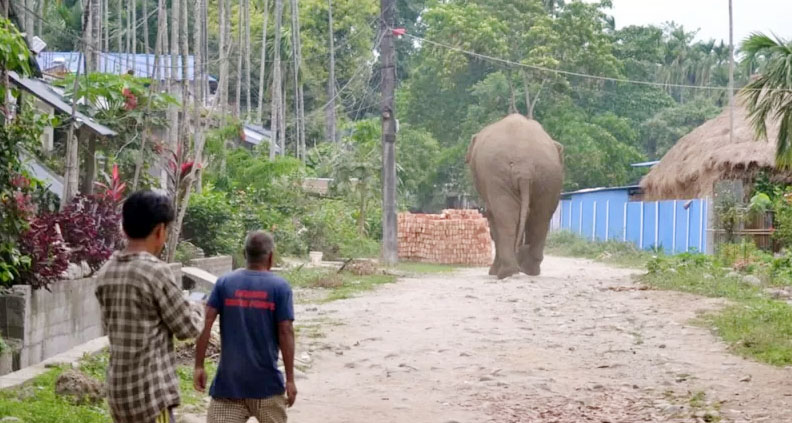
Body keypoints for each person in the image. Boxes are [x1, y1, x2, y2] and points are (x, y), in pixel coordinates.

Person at [96, 190, 202, 423]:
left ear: (124, 228)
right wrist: (196, 306)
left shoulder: (106, 271)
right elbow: (188, 328)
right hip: (149, 394)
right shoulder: (155, 271)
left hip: (119, 392)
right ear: (160, 230)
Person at [194, 230, 297, 423]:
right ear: (271, 257)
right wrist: (290, 379)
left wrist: (199, 366)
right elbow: (285, 331)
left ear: (244, 254)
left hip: (229, 387)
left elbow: (205, 323)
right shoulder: (280, 287)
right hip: (267, 387)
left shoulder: (225, 282)